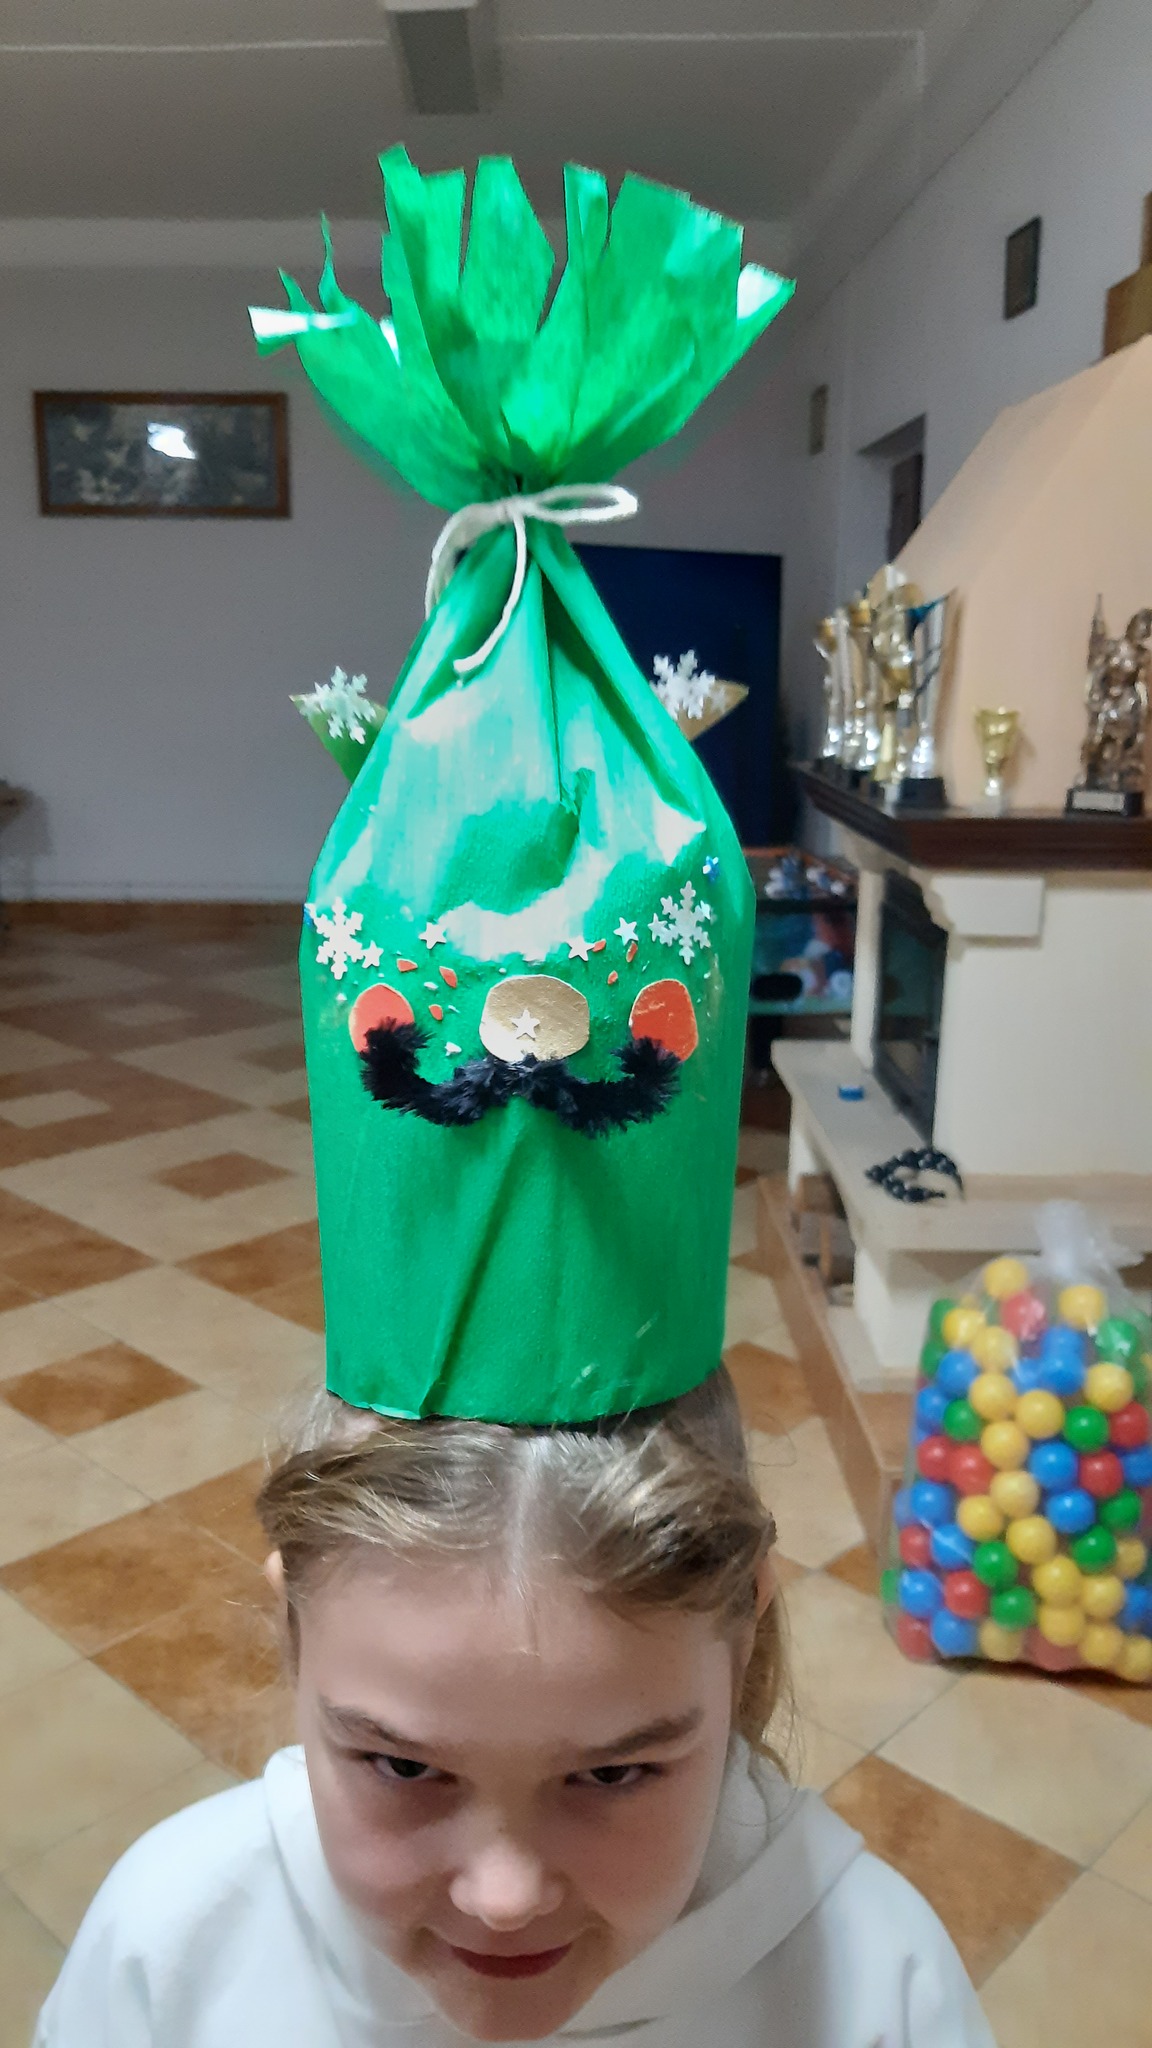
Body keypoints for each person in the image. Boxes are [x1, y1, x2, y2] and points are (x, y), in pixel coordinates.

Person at [36, 1371, 994, 2046]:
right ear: (293, 1630)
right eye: (405, 1767)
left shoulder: (877, 1990)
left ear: (743, 1635)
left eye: (612, 1773)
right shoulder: (169, 1943)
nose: (503, 1899)